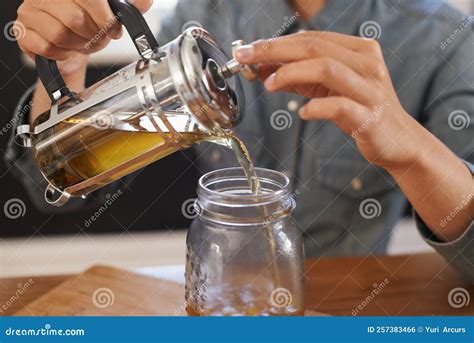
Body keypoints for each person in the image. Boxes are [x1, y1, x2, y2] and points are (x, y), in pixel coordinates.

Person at [5, 0, 473, 281]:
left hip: (353, 305)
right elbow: (59, 190)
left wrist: (413, 151)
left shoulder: (443, 37)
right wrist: (63, 79)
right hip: (222, 301)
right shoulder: (204, 16)